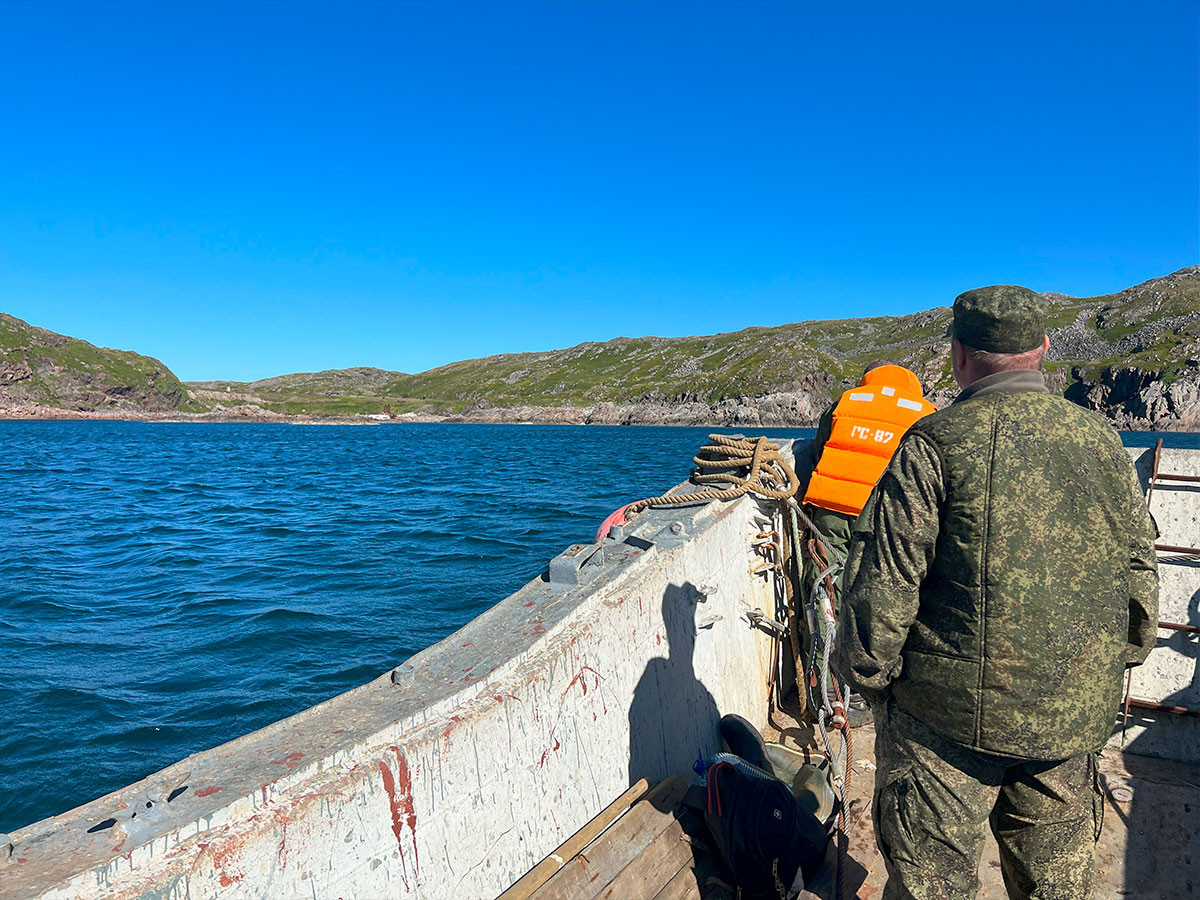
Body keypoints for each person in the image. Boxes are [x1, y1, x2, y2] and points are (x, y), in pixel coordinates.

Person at [833, 285, 1160, 900]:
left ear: (959, 354)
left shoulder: (934, 446)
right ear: (1041, 348)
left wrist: (868, 676)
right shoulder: (1103, 445)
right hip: (1069, 719)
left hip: (943, 725)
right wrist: (1113, 663)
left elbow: (884, 587)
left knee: (933, 886)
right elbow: (1140, 578)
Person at [797, 361, 936, 726]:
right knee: (883, 596)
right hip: (886, 512)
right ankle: (871, 688)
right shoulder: (926, 414)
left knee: (826, 589)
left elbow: (819, 451)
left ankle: (830, 689)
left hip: (832, 507)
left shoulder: (846, 402)